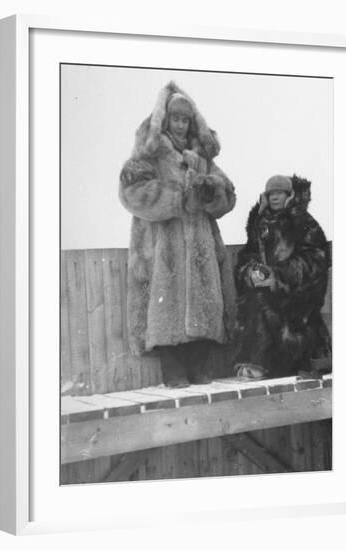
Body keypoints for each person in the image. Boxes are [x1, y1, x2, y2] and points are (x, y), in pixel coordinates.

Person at [119, 81, 237, 387]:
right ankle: (173, 372)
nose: (182, 125)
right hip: (163, 250)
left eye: (186, 119)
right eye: (176, 119)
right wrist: (180, 197)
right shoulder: (148, 156)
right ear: (166, 120)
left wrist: (209, 190)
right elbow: (132, 193)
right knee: (165, 312)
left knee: (203, 310)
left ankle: (199, 368)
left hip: (200, 251)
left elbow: (229, 197)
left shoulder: (203, 157)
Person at [233, 174, 331, 379]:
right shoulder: (259, 224)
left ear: (289, 195)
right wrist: (251, 273)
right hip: (266, 290)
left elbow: (315, 260)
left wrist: (278, 277)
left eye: (279, 193)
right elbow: (247, 255)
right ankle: (255, 362)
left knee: (267, 305)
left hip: (296, 296)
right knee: (255, 301)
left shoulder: (304, 222)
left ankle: (260, 364)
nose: (274, 197)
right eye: (270, 194)